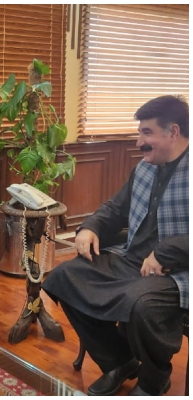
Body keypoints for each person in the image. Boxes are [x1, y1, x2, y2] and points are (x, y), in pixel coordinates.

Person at [42, 95, 188, 396]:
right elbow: (116, 208)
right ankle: (119, 362)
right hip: (131, 259)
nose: (139, 142)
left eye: (146, 133)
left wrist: (165, 251)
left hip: (177, 272)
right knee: (65, 277)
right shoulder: (145, 168)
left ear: (173, 132)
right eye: (140, 133)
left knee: (140, 306)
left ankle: (153, 379)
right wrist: (90, 227)